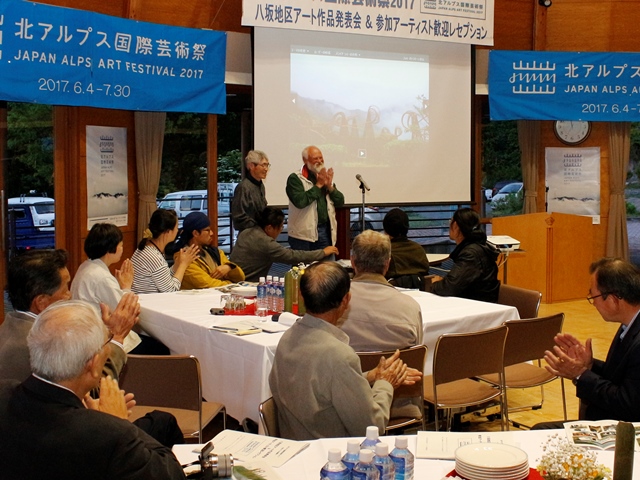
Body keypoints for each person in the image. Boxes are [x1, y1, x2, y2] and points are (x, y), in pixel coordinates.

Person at [0, 300, 186, 479]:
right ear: (94, 364)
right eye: (108, 342)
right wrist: (118, 422)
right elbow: (172, 474)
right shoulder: (110, 435)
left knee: (162, 422)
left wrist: (91, 417)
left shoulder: (4, 391)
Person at [269, 261, 418, 440]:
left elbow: (321, 389)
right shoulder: (338, 355)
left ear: (301, 296)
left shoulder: (287, 337)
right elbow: (372, 427)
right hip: (330, 453)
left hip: (293, 440)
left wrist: (370, 376)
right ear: (346, 300)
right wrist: (386, 383)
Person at [0, 249, 136, 384]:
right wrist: (117, 337)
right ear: (41, 302)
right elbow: (87, 391)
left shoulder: (9, 328)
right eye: (65, 288)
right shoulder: (44, 343)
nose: (70, 295)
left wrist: (108, 332)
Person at [543, 258, 640, 422]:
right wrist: (589, 365)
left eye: (593, 296)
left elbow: (628, 405)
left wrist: (580, 374)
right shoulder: (630, 324)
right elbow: (623, 375)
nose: (593, 303)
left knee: (538, 433)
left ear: (612, 299)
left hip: (625, 430)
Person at [340, 230, 423, 352]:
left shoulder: (334, 303)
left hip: (347, 370)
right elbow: (416, 351)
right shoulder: (411, 307)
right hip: (396, 369)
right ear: (387, 264)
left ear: (352, 262)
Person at [71, 222, 141, 352]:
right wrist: (126, 286)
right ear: (110, 249)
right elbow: (125, 312)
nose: (122, 248)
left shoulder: (86, 266)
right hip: (99, 338)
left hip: (86, 331)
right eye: (121, 245)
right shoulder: (101, 277)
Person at [230, 207, 338, 282]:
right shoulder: (265, 242)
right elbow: (292, 256)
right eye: (280, 227)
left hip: (231, 279)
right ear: (269, 228)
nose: (281, 230)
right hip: (245, 283)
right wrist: (323, 252)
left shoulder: (246, 232)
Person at [431, 207, 500, 303]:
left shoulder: (470, 253)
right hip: (478, 302)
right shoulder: (478, 246)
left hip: (477, 307)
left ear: (455, 226)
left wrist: (434, 283)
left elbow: (449, 287)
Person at [286, 145, 344, 253]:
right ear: (305, 160)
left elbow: (340, 202)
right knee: (304, 268)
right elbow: (300, 202)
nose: (319, 161)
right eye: (315, 158)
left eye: (321, 158)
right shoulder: (295, 178)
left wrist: (330, 186)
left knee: (325, 268)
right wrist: (319, 185)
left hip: (324, 231)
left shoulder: (323, 177)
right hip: (302, 236)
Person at [131, 208, 199, 294]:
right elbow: (171, 291)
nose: (178, 231)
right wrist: (183, 265)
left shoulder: (149, 248)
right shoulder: (153, 256)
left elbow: (164, 280)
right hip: (147, 304)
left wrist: (177, 264)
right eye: (176, 228)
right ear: (168, 232)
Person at [174, 211, 245, 289]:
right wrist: (233, 285)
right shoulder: (183, 259)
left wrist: (229, 267)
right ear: (195, 233)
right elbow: (208, 285)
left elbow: (241, 278)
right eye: (207, 230)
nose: (211, 233)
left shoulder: (215, 252)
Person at [382, 208, 430, 289]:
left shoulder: (384, 252)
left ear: (385, 229)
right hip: (421, 296)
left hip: (391, 295)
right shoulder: (419, 249)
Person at [231, 149, 270, 232]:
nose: (266, 169)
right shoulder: (243, 188)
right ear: (251, 166)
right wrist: (258, 225)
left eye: (267, 165)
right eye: (263, 165)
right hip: (248, 236)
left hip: (260, 233)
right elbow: (238, 218)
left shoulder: (260, 185)